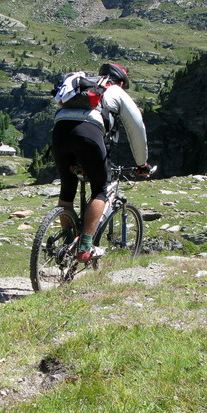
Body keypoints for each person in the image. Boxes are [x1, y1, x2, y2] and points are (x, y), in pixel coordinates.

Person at [51, 62, 152, 263]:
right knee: (100, 190)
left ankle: (66, 245)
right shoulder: (115, 90)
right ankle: (85, 248)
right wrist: (142, 163)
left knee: (67, 189)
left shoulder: (80, 87)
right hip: (88, 133)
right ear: (121, 82)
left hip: (60, 133)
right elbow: (136, 127)